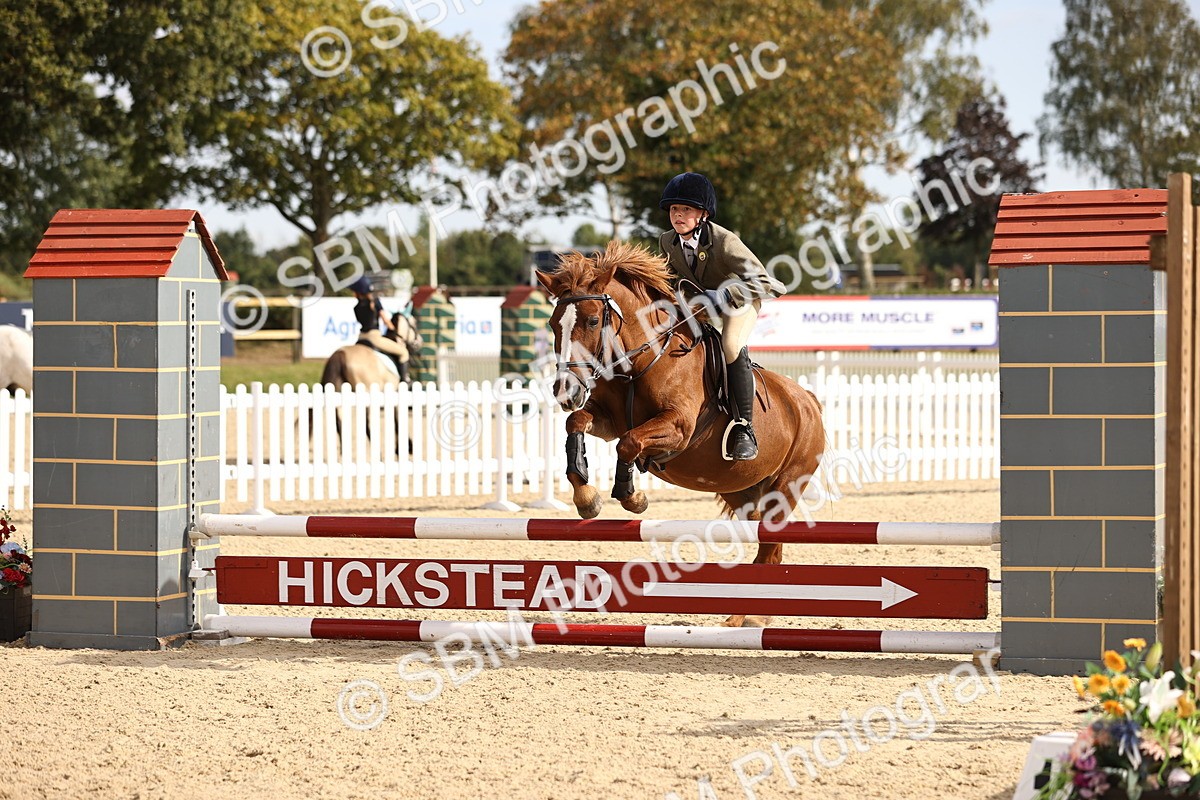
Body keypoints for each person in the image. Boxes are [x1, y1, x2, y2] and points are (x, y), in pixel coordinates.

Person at [657, 172, 785, 461]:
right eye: (675, 210)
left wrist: (726, 294)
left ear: (702, 214)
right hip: (701, 305)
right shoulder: (668, 242)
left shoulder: (725, 241)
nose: (678, 215)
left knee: (729, 344)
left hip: (739, 301)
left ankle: (744, 428)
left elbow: (768, 283)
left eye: (686, 210)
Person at [350, 276, 411, 382]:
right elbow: (385, 319)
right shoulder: (375, 302)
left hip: (360, 338)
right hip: (374, 338)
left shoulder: (356, 308)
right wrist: (393, 329)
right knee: (403, 353)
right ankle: (404, 381)